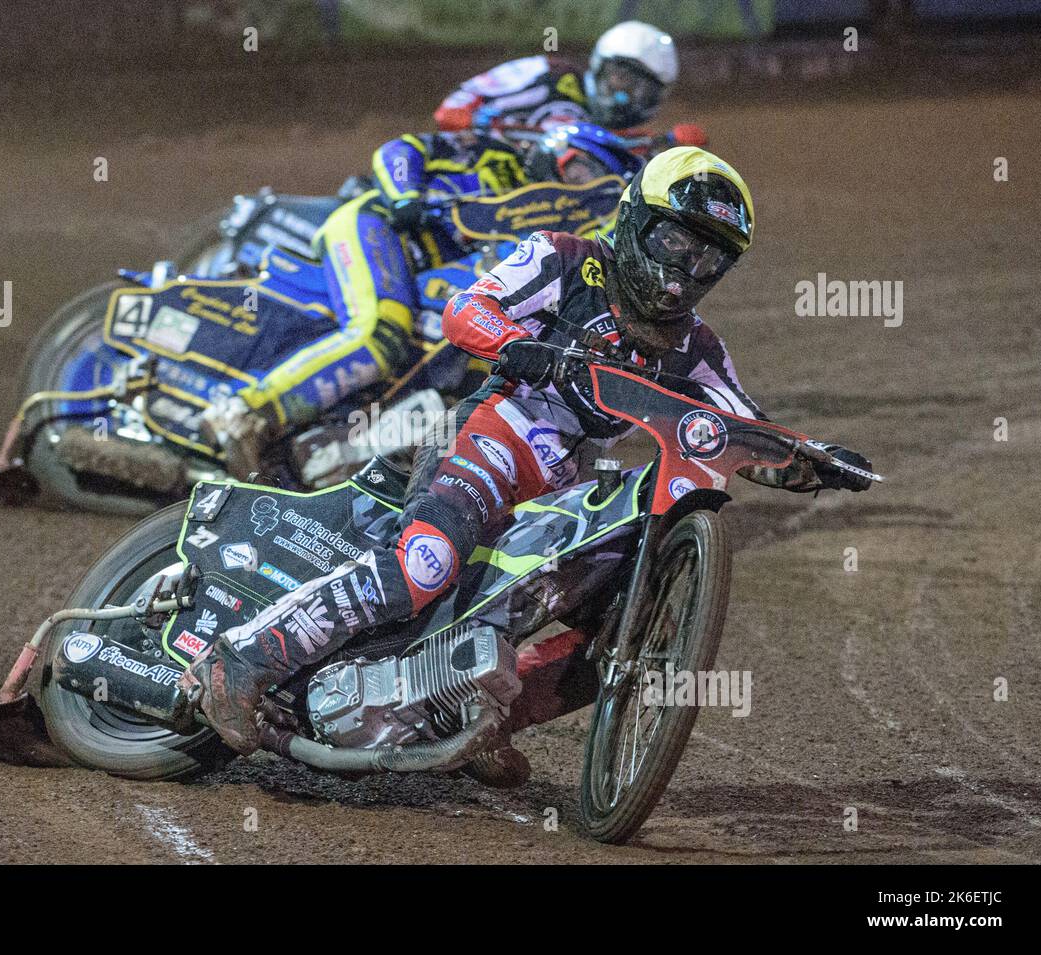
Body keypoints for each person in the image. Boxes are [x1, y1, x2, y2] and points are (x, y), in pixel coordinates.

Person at [180, 147, 875, 781]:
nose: (685, 270)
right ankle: (240, 660)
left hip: (561, 493)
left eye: (708, 260)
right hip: (488, 436)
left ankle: (466, 719)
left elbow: (738, 429)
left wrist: (812, 460)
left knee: (609, 637)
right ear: (635, 217)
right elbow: (465, 308)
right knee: (424, 564)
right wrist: (514, 344)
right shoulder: (568, 260)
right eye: (674, 242)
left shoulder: (696, 347)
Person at [203, 125, 638, 478]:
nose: (581, 188)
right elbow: (402, 147)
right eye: (583, 170)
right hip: (376, 226)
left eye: (595, 185)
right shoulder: (496, 155)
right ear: (560, 149)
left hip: (417, 278)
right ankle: (245, 413)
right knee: (380, 334)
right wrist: (404, 195)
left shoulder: (548, 237)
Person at [434, 20, 679, 134]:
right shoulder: (549, 73)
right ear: (601, 65)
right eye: (623, 77)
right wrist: (460, 111)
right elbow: (465, 97)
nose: (626, 94)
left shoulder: (623, 139)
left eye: (643, 89)